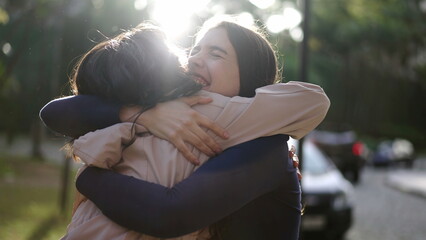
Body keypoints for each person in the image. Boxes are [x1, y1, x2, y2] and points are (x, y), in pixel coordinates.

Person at [41, 17, 330, 239]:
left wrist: (88, 179)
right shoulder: (174, 114)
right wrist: (142, 114)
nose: (194, 59)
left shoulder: (265, 148)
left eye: (215, 54)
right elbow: (56, 112)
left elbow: (169, 214)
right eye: (195, 50)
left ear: (250, 73)